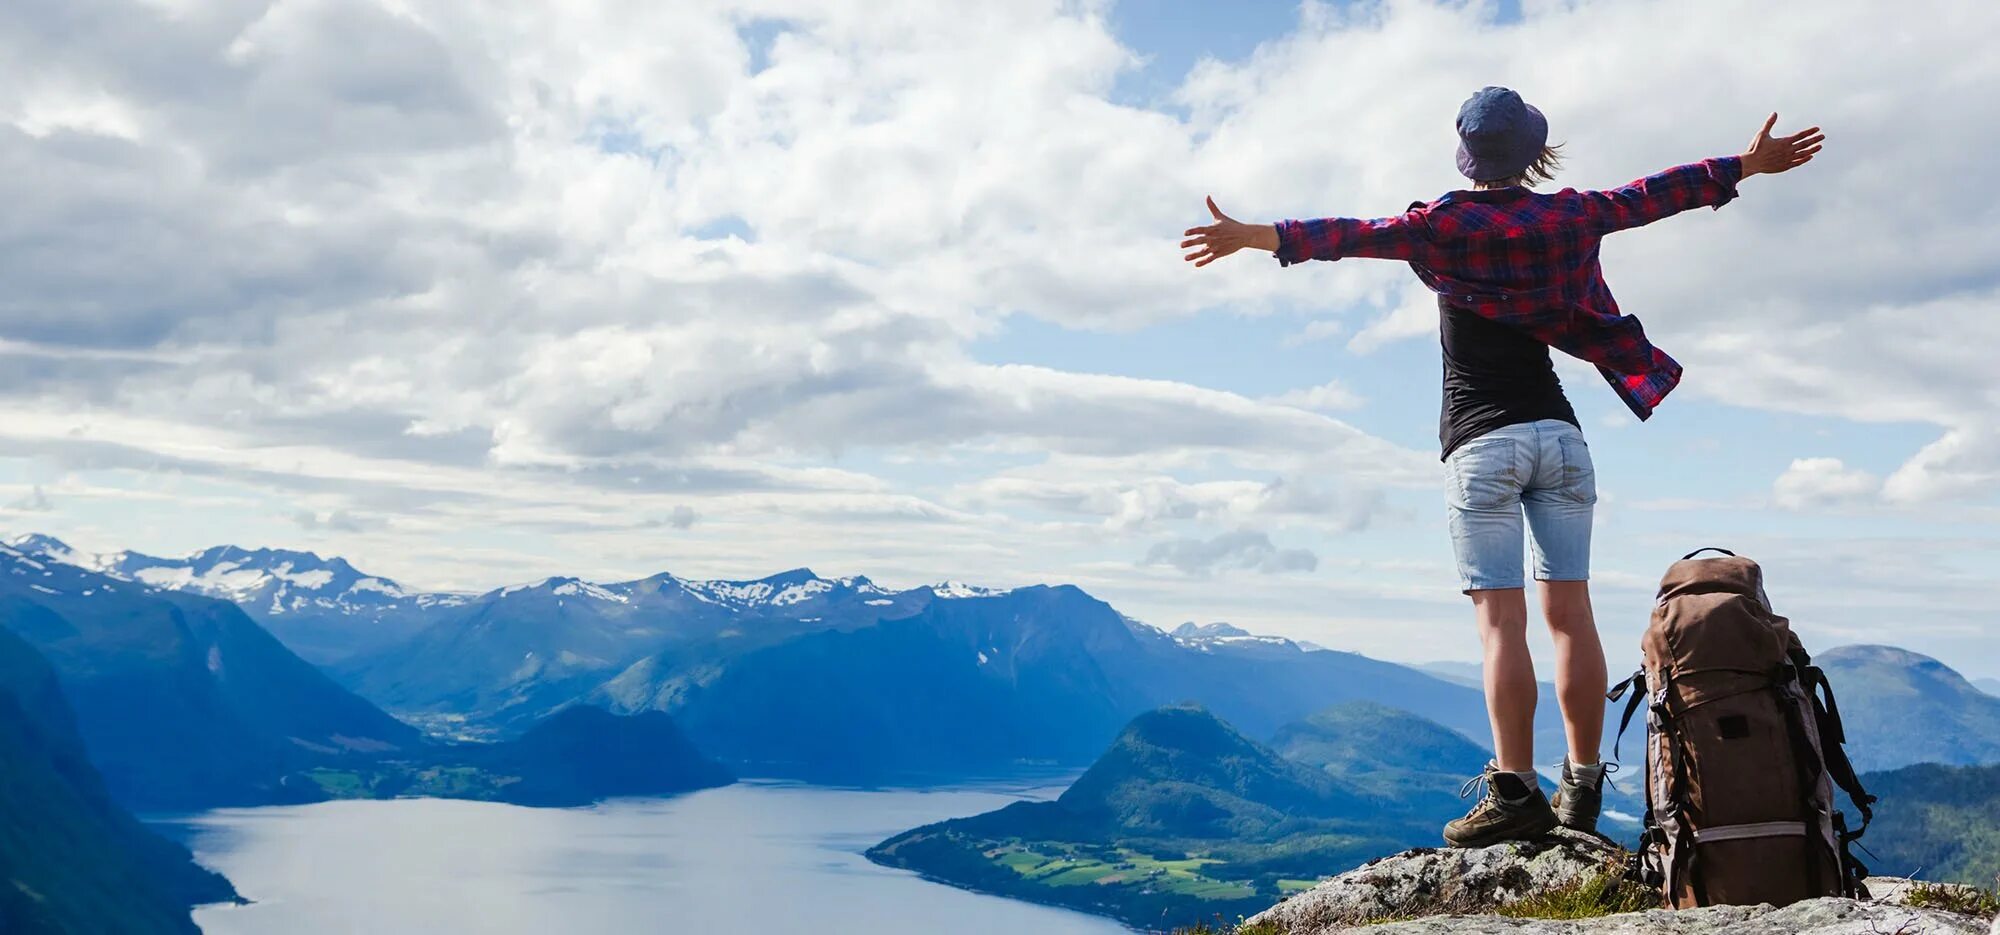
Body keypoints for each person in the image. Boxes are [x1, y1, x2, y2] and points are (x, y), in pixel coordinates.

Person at [1180, 86, 1823, 846]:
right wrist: (1744, 165)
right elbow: (1652, 195)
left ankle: (1515, 789)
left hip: (1482, 445)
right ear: (1532, 154)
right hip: (1560, 438)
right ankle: (1582, 786)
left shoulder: (1439, 228)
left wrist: (1251, 235)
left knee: (1500, 626)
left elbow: (1349, 234)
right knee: (1570, 616)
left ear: (1468, 155)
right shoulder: (1569, 216)